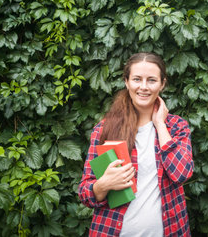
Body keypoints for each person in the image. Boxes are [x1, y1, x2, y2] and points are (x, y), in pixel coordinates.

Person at [78, 52, 194, 237]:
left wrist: (160, 125)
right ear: (127, 81)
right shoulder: (104, 129)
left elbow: (181, 174)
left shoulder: (176, 127)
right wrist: (103, 185)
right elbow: (85, 192)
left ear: (162, 84)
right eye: (137, 79)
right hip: (112, 231)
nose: (144, 87)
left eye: (152, 80)